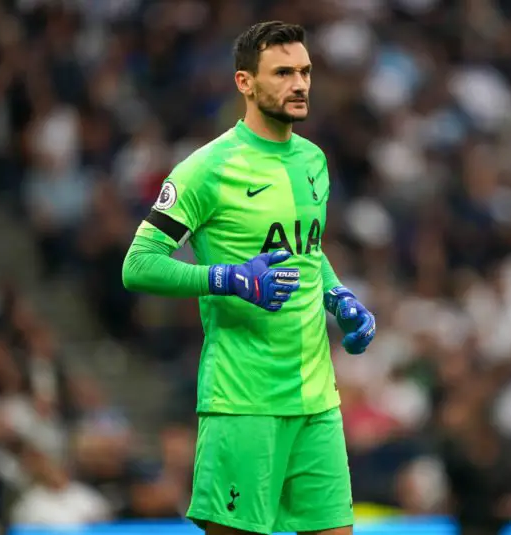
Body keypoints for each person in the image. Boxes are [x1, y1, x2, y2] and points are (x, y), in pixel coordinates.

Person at [122, 21, 376, 535]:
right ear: (245, 82)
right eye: (282, 73)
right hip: (244, 400)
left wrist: (337, 295)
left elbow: (307, 252)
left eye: (305, 71)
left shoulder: (313, 160)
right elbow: (138, 264)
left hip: (317, 399)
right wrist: (227, 278)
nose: (299, 84)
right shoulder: (206, 169)